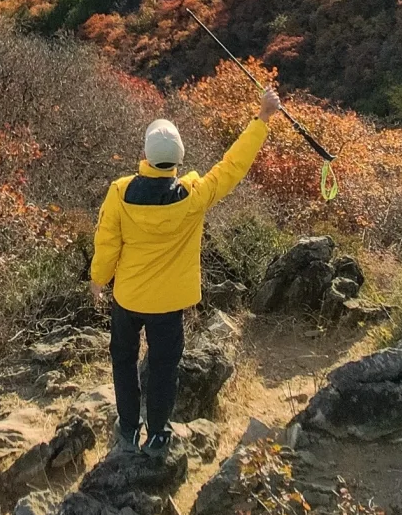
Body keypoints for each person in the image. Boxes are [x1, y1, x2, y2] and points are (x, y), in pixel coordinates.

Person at [90, 85, 282, 456]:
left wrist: (99, 280)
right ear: (177, 158)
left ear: (144, 154)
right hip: (169, 305)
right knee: (164, 368)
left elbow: (107, 242)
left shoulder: (120, 192)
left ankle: (128, 429)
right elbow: (232, 166)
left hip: (128, 297)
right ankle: (158, 434)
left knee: (124, 361)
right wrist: (261, 119)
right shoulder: (193, 197)